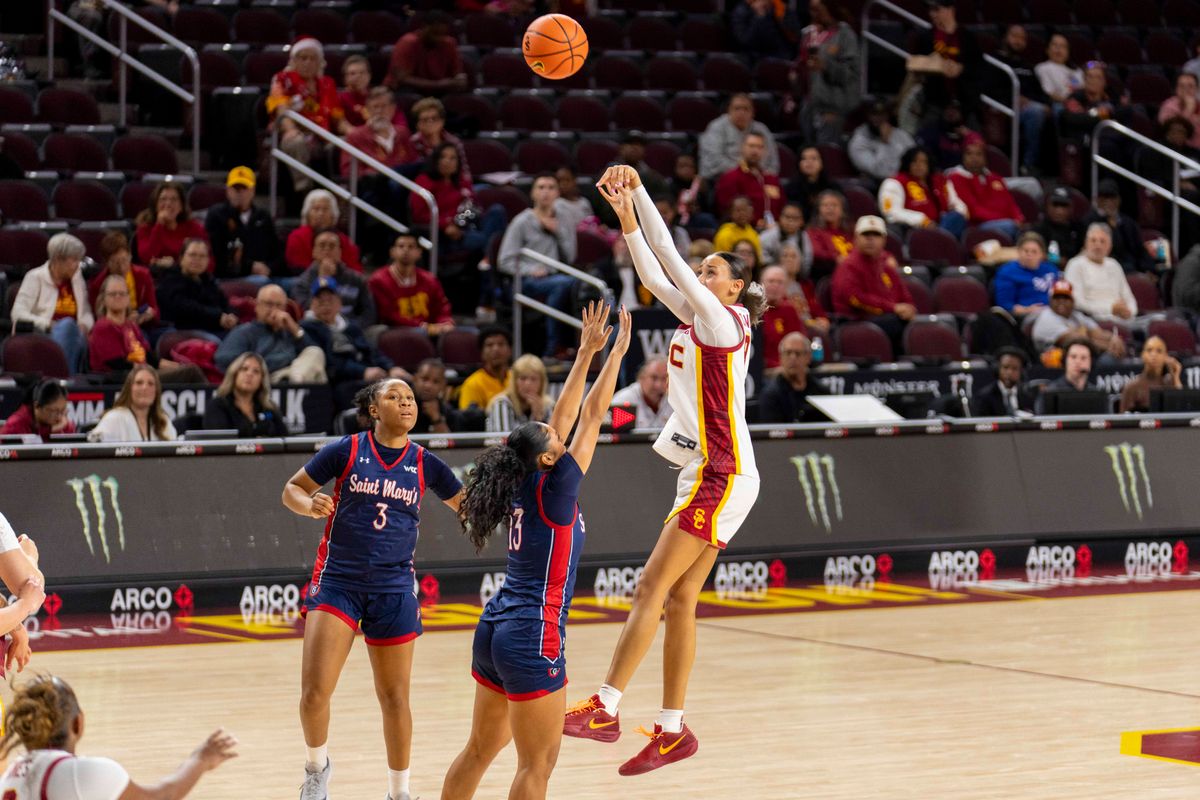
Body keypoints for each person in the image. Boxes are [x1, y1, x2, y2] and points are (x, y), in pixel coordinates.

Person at [565, 165, 764, 776]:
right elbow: (655, 273)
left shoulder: (723, 322)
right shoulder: (706, 317)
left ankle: (605, 705)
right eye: (703, 273)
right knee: (679, 600)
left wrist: (636, 204)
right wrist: (634, 205)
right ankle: (674, 731)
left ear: (734, 291)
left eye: (714, 274)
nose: (702, 277)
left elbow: (672, 262)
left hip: (721, 472)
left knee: (651, 587)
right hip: (715, 470)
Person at [441, 303, 630, 800]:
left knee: (480, 751)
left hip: (496, 625)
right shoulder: (559, 485)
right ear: (549, 457)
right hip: (532, 634)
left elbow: (563, 417)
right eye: (553, 438)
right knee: (537, 766)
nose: (557, 431)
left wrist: (586, 350)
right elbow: (589, 415)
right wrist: (614, 356)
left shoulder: (522, 475)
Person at [283, 378, 465, 800]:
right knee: (314, 693)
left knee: (395, 698)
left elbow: (468, 506)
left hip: (394, 586)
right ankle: (316, 770)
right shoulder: (345, 450)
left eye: (410, 398)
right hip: (338, 581)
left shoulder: (425, 462)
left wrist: (509, 495)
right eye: (394, 397)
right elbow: (291, 489)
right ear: (373, 409)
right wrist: (308, 505)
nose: (405, 403)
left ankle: (399, 792)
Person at [0, 675, 236, 799]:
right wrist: (201, 760)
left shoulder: (11, 775)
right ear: (78, 723)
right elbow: (162, 797)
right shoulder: (78, 772)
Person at [410, 142, 507, 308]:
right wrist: (445, 225)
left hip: (469, 227)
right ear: (435, 160)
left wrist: (471, 215)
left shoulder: (462, 181)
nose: (448, 161)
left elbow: (474, 206)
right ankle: (490, 294)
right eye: (443, 157)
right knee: (492, 245)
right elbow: (419, 215)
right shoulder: (424, 181)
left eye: (452, 158)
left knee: (497, 211)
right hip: (446, 237)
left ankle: (489, 261)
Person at [497, 173, 578, 358]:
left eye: (551, 188)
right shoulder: (521, 221)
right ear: (532, 193)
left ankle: (566, 346)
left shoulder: (564, 220)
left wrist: (558, 232)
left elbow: (570, 257)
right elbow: (504, 261)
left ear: (558, 193)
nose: (546, 192)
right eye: (541, 187)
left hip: (557, 276)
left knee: (570, 285)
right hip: (527, 281)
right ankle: (555, 347)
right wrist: (530, 270)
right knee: (564, 284)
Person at [303, 277, 406, 410]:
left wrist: (390, 367)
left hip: (368, 375)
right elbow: (330, 363)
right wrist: (363, 371)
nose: (326, 306)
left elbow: (371, 350)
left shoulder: (350, 326)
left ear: (339, 303)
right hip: (340, 382)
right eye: (321, 301)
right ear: (312, 304)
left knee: (403, 384)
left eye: (330, 300)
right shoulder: (308, 329)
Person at [267, 37, 348, 195]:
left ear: (320, 62)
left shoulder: (327, 83)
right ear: (294, 60)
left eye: (313, 58)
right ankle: (304, 190)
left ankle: (343, 189)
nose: (308, 62)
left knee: (348, 143)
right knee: (295, 141)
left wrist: (354, 132)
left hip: (323, 134)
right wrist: (290, 129)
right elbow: (281, 108)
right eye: (303, 58)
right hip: (295, 131)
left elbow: (338, 117)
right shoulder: (282, 79)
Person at [10, 232, 92, 374]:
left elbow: (86, 312)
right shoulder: (35, 277)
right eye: (73, 260)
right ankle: (66, 377)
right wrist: (47, 324)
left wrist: (85, 324)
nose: (77, 265)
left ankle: (65, 377)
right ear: (57, 259)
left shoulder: (77, 279)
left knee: (73, 329)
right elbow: (17, 314)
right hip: (42, 334)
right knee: (67, 325)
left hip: (75, 335)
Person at [831, 215, 916, 349]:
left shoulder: (886, 266)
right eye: (865, 234)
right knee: (898, 323)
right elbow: (854, 298)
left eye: (876, 235)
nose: (870, 239)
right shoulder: (848, 266)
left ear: (884, 240)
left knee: (916, 325)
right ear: (856, 238)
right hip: (855, 323)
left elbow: (904, 295)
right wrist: (893, 308)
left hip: (884, 320)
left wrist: (909, 308)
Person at [214, 284, 327, 385]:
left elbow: (314, 358)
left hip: (296, 375)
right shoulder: (244, 331)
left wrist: (295, 329)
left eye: (279, 306)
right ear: (257, 306)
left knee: (315, 352)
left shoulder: (290, 331)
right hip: (265, 382)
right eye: (269, 304)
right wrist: (258, 366)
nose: (274, 310)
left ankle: (294, 383)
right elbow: (223, 360)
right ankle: (293, 384)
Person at [795, 0, 861, 146]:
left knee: (826, 153)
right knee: (810, 151)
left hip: (832, 106)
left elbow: (851, 73)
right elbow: (802, 62)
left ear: (830, 8)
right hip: (809, 103)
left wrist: (826, 66)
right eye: (811, 10)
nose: (814, 14)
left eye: (818, 9)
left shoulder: (845, 34)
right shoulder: (808, 33)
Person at [987, 25, 1050, 175]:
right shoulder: (994, 61)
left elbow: (1039, 93)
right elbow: (990, 90)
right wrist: (1013, 98)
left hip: (1028, 108)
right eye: (1015, 36)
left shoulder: (1027, 66)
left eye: (1022, 38)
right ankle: (1028, 165)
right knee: (1035, 112)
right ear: (1005, 38)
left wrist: (1046, 105)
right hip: (1004, 109)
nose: (1018, 41)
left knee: (1049, 112)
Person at [909, 0, 983, 126]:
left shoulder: (967, 37)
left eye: (937, 9)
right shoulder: (925, 37)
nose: (932, 14)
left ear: (951, 10)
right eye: (930, 10)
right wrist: (936, 66)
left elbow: (980, 68)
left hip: (965, 103)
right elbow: (914, 63)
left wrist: (961, 68)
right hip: (935, 101)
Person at [368, 232, 455, 333]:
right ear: (392, 252)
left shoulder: (429, 279)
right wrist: (423, 326)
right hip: (394, 331)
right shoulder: (379, 280)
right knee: (420, 334)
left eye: (411, 246)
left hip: (429, 330)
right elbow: (389, 315)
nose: (406, 250)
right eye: (401, 246)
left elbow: (441, 307)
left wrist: (445, 323)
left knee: (465, 334)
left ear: (419, 252)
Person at [204, 166, 282, 280]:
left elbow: (277, 251)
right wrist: (250, 267)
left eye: (244, 188)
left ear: (253, 191)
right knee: (260, 281)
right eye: (235, 188)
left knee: (293, 283)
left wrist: (269, 268)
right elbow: (218, 254)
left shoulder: (263, 216)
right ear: (228, 190)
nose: (239, 193)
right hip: (230, 277)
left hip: (267, 274)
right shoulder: (217, 215)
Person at [946, 133, 1025, 242]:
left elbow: (1010, 203)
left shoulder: (995, 178)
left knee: (1028, 230)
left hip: (1004, 223)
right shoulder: (955, 178)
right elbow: (972, 210)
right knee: (1011, 227)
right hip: (975, 227)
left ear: (985, 157)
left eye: (979, 154)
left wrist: (1019, 218)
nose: (974, 158)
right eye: (969, 154)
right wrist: (1007, 220)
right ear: (963, 156)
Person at [291, 230, 376, 329]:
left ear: (340, 252)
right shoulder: (301, 282)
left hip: (353, 329)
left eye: (332, 246)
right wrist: (322, 280)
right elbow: (308, 310)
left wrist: (353, 328)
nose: (327, 249)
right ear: (313, 251)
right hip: (317, 330)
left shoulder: (356, 279)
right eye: (322, 246)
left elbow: (369, 313)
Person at [878, 145, 967, 238]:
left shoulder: (940, 180)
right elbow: (891, 212)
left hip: (945, 224)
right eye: (914, 161)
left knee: (957, 217)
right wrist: (922, 220)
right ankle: (940, 238)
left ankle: (941, 237)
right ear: (907, 163)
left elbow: (956, 202)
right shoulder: (895, 182)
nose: (919, 165)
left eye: (923, 161)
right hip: (915, 229)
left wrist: (961, 211)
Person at [157, 238, 239, 337]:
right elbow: (186, 308)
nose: (197, 260)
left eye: (202, 256)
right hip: (183, 333)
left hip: (214, 328)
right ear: (182, 258)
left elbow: (223, 301)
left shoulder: (207, 279)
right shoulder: (170, 280)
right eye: (192, 255)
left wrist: (231, 315)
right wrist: (218, 317)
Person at [1030, 280, 1125, 361]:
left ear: (1073, 301)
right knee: (1108, 358)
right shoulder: (1047, 318)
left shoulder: (1076, 316)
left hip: (1075, 360)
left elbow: (1098, 333)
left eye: (1066, 298)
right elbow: (1078, 341)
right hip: (1051, 366)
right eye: (1057, 298)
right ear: (1050, 301)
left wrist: (1114, 339)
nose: (1061, 301)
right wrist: (1109, 347)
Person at [203, 352, 289, 437]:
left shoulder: (268, 409)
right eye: (244, 369)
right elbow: (219, 443)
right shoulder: (218, 406)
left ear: (262, 380)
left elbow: (285, 439)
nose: (249, 374)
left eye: (256, 371)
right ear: (234, 374)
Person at [1063, 223, 1137, 321]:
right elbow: (1076, 301)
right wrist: (1110, 309)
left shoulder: (1114, 265)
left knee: (1155, 320)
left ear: (1110, 246)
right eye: (1093, 240)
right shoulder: (1075, 264)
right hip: (1093, 320)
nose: (1098, 245)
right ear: (1086, 243)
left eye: (1103, 241)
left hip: (1122, 318)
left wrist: (1130, 311)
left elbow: (1129, 297)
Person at [698, 94, 781, 181]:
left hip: (758, 179)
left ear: (753, 112)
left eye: (746, 109)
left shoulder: (762, 129)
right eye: (737, 108)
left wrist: (759, 175)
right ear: (729, 110)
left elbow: (772, 163)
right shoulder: (716, 127)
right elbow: (713, 161)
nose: (741, 113)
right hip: (722, 179)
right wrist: (744, 173)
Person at [87, 231, 158, 329]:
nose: (121, 267)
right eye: (115, 262)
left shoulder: (143, 275)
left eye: (124, 260)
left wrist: (149, 314)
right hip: (113, 329)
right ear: (106, 262)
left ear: (130, 256)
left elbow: (154, 309)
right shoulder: (97, 284)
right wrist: (125, 320)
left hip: (143, 326)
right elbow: (96, 318)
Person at [385, 10, 468, 95]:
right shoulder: (407, 43)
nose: (438, 38)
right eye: (435, 33)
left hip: (438, 89)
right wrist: (438, 84)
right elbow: (402, 79)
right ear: (423, 27)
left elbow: (457, 72)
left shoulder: (449, 43)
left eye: (442, 34)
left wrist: (459, 79)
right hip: (407, 89)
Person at [88, 364, 177, 442]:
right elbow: (94, 446)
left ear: (156, 391)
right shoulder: (114, 418)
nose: (145, 388)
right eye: (139, 383)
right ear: (129, 389)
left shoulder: (163, 421)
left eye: (151, 384)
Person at [340, 87, 417, 177]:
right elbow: (348, 172)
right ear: (368, 110)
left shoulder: (403, 133)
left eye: (384, 106)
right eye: (375, 107)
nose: (379, 111)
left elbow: (414, 162)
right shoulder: (355, 136)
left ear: (393, 108)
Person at [133, 182, 210, 272]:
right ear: (155, 205)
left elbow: (210, 262)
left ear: (181, 206)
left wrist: (175, 265)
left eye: (174, 199)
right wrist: (159, 224)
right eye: (163, 199)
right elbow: (147, 258)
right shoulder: (145, 228)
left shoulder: (195, 228)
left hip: (190, 278)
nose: (168, 204)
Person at [1082, 179, 1155, 274]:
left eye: (1112, 197)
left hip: (1131, 269)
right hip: (1102, 268)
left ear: (1119, 200)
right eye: (1104, 197)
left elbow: (1140, 250)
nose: (1108, 201)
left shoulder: (1128, 222)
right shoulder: (1088, 222)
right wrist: (1111, 225)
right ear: (1097, 200)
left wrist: (1149, 270)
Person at [714, 131, 785, 226]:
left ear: (765, 151)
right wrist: (757, 222)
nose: (755, 151)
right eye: (751, 146)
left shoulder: (772, 179)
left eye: (760, 147)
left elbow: (783, 207)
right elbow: (727, 211)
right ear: (742, 148)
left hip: (775, 231)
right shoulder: (730, 178)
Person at [285, 189, 364, 273]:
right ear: (307, 214)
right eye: (316, 209)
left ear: (334, 215)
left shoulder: (343, 239)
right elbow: (296, 266)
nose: (321, 214)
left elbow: (355, 268)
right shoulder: (297, 237)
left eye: (325, 209)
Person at [88, 274, 151, 376]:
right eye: (113, 294)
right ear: (104, 299)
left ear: (128, 298)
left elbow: (149, 357)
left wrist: (176, 365)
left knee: (183, 370)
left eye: (122, 293)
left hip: (143, 374)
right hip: (120, 381)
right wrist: (148, 370)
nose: (118, 297)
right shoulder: (103, 327)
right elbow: (117, 364)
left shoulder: (132, 326)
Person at [848, 99, 916, 185]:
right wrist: (884, 142)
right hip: (880, 186)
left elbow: (916, 157)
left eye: (882, 114)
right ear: (867, 116)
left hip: (908, 181)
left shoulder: (900, 134)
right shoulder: (859, 141)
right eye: (874, 114)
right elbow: (881, 172)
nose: (878, 119)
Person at [993, 231, 1060, 316]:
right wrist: (1026, 310)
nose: (1029, 255)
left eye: (1034, 252)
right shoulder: (1007, 272)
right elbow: (1005, 305)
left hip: (1054, 311)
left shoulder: (1051, 269)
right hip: (1028, 315)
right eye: (1026, 251)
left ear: (1042, 254)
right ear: (1018, 252)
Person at [408, 97, 472, 185]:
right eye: (425, 119)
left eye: (434, 118)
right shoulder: (412, 142)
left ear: (442, 121)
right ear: (418, 124)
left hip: (452, 186)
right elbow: (415, 173)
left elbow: (464, 172)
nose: (430, 122)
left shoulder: (453, 142)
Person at [485, 354, 555, 432]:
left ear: (542, 383)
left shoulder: (548, 405)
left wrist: (539, 418)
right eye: (523, 378)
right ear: (514, 382)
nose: (528, 384)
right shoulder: (501, 404)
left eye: (533, 379)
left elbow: (554, 441)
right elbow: (502, 442)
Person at [758, 332, 817, 423]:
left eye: (797, 353)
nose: (792, 358)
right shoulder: (771, 396)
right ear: (780, 357)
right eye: (788, 353)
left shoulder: (820, 391)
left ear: (808, 357)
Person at [760, 265, 810, 372]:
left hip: (791, 370)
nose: (775, 286)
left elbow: (800, 342)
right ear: (761, 284)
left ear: (786, 287)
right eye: (771, 281)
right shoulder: (752, 312)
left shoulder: (790, 310)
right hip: (764, 372)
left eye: (780, 282)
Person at [1119, 336, 1182, 413]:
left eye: (1159, 351)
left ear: (1165, 356)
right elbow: (1123, 420)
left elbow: (1181, 409)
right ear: (1143, 355)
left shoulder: (1170, 384)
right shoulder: (1132, 387)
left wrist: (1176, 376)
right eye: (1149, 350)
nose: (1154, 354)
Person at [411, 358, 473, 434]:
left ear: (443, 386)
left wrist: (436, 418)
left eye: (435, 382)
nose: (428, 386)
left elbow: (451, 443)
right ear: (415, 379)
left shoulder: (446, 411)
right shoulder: (400, 406)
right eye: (424, 379)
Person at [0, 379, 75, 441]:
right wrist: (49, 430)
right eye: (54, 411)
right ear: (36, 406)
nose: (59, 417)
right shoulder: (16, 425)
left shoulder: (63, 424)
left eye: (63, 411)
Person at [458, 327, 512, 411]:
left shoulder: (517, 379)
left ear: (510, 350)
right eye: (489, 345)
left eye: (501, 344)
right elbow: (467, 420)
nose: (496, 349)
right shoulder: (472, 384)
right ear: (482, 353)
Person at [611, 357, 672, 429]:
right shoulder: (622, 400)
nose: (658, 385)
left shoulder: (675, 401)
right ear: (641, 377)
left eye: (664, 378)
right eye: (654, 378)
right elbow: (614, 435)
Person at [1036, 339, 1098, 411]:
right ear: (1065, 361)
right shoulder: (1050, 393)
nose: (1078, 362)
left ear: (1091, 363)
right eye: (1073, 357)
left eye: (1083, 358)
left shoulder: (1096, 394)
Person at [971, 347, 1035, 416]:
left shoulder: (1027, 396)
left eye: (1014, 368)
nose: (1009, 372)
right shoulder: (985, 397)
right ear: (997, 369)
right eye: (1006, 367)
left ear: (1021, 372)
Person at [807, 189, 854, 280]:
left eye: (834, 205)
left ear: (842, 210)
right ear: (819, 210)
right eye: (825, 205)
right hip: (827, 275)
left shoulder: (851, 231)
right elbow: (817, 253)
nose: (830, 208)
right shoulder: (812, 232)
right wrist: (836, 258)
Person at [731, 0, 800, 62]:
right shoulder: (741, 11)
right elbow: (745, 41)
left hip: (780, 58)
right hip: (754, 59)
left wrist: (779, 12)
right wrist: (759, 16)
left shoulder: (779, 6)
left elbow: (795, 36)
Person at [1033, 187, 1085, 266]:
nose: (1059, 210)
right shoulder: (1038, 229)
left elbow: (1085, 249)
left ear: (1071, 208)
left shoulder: (1079, 228)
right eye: (1055, 205)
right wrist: (1057, 260)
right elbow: (1031, 252)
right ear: (1047, 206)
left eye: (1064, 205)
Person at [1035, 33, 1083, 108]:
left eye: (1063, 46)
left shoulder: (1077, 70)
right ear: (1047, 49)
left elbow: (1082, 89)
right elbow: (1049, 93)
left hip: (1079, 104)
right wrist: (1068, 103)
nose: (1059, 49)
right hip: (1059, 104)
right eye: (1055, 45)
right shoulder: (1042, 68)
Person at [669, 152, 715, 229]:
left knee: (707, 219)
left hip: (696, 218)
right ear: (675, 168)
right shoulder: (670, 186)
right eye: (682, 166)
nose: (686, 169)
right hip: (676, 218)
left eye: (690, 166)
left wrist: (703, 193)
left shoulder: (701, 184)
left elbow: (709, 208)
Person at [712, 196, 762, 261]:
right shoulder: (725, 234)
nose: (742, 214)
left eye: (745, 210)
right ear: (731, 213)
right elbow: (720, 260)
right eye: (738, 210)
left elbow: (758, 259)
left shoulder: (753, 233)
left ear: (751, 212)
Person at [1157, 72, 1200, 148]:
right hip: (1176, 150)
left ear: (1197, 89)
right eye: (1182, 86)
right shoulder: (1168, 106)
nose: (1186, 90)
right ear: (1176, 89)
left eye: (1190, 86)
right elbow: (1176, 132)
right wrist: (1188, 109)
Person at [338, 54, 373, 128]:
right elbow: (340, 124)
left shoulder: (377, 97)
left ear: (369, 76)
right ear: (345, 78)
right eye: (352, 73)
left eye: (362, 73)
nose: (358, 76)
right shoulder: (338, 98)